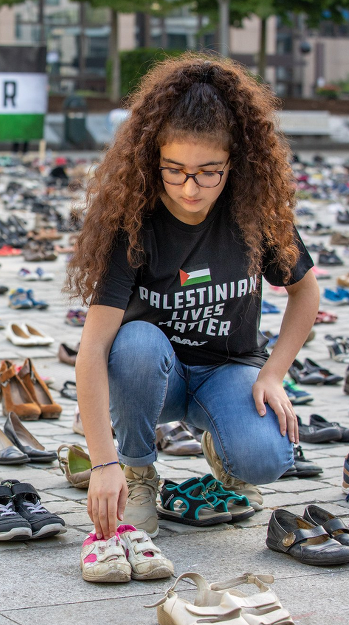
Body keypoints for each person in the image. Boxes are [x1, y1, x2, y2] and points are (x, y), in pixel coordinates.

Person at [65, 54, 319, 542]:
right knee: (136, 341)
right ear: (153, 160)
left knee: (268, 458)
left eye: (208, 172)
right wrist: (104, 462)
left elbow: (306, 293)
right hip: (151, 377)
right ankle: (140, 472)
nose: (189, 187)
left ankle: (221, 444)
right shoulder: (135, 226)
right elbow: (93, 349)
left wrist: (274, 373)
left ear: (234, 163)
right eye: (174, 170)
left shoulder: (255, 213)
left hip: (227, 369)